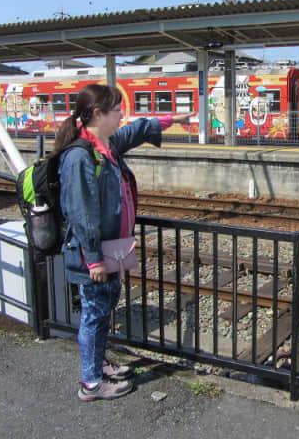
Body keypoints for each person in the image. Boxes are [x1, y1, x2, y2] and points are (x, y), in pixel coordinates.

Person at [53, 83, 189, 401]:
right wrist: (94, 260)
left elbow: (136, 131)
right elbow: (81, 213)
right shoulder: (80, 157)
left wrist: (174, 119)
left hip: (111, 250)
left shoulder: (105, 146)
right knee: (94, 314)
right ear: (98, 114)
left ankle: (98, 364)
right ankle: (91, 383)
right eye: (116, 110)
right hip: (95, 255)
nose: (121, 116)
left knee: (102, 311)